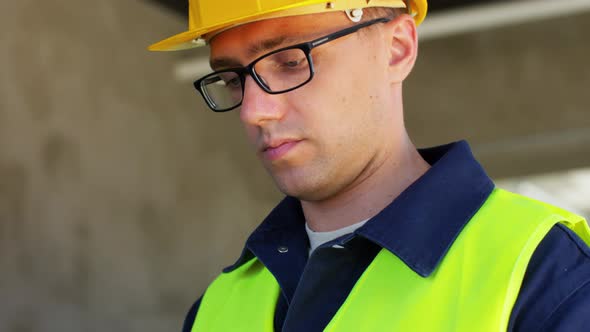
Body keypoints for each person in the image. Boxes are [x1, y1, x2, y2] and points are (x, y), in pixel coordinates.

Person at [149, 1, 590, 331]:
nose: (253, 111)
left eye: (289, 62)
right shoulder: (217, 308)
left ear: (396, 49)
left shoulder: (545, 272)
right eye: (232, 80)